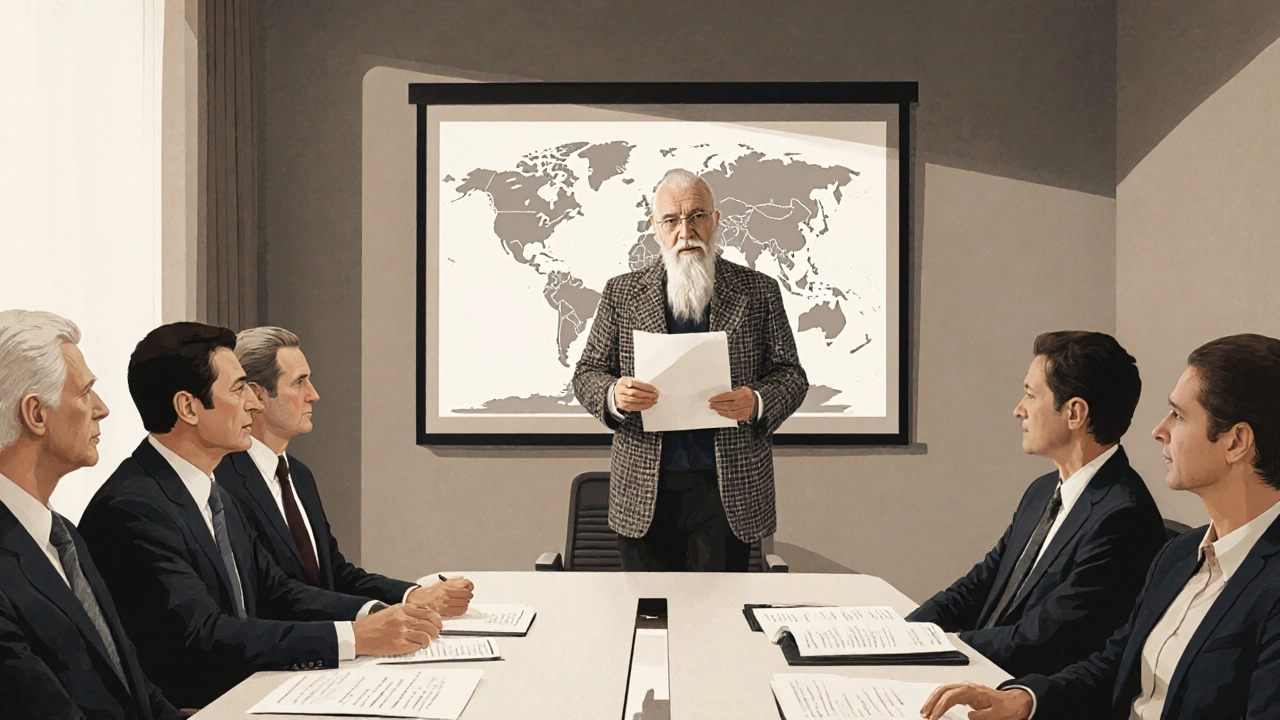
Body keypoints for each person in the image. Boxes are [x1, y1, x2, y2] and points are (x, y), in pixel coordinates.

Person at [78, 322, 441, 708]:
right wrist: (355, 636)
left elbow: (278, 591)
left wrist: (378, 613)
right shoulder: (133, 507)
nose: (253, 403)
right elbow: (203, 635)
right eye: (238, 390)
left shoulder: (213, 493)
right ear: (188, 407)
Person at [922, 333, 1280, 720]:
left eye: (1178, 415)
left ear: (1236, 442)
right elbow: (1113, 665)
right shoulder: (1178, 554)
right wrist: (1027, 699)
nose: (1159, 430)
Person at [572, 168, 808, 572]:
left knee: (718, 621)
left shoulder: (759, 290)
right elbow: (588, 372)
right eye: (671, 220)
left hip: (727, 488)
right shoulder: (622, 292)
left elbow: (791, 375)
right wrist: (613, 394)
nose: (686, 230)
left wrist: (756, 401)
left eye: (697, 215)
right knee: (647, 616)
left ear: (715, 221)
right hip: (644, 489)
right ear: (655, 228)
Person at [907, 331, 1166, 676]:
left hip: (1026, 692)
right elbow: (979, 584)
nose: (1018, 410)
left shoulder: (1124, 516)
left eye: (1030, 395)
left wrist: (941, 647)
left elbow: (1047, 638)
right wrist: (906, 633)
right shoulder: (1042, 490)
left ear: (1075, 413)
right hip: (978, 667)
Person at [0, 309, 183, 719]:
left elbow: (136, 691)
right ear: (36, 414)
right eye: (85, 392)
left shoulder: (64, 535)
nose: (101, 409)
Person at [216, 326, 473, 613]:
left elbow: (335, 574)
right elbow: (274, 594)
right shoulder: (223, 482)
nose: (313, 395)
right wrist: (377, 614)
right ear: (257, 395)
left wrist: (412, 595)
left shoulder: (298, 475)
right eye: (299, 383)